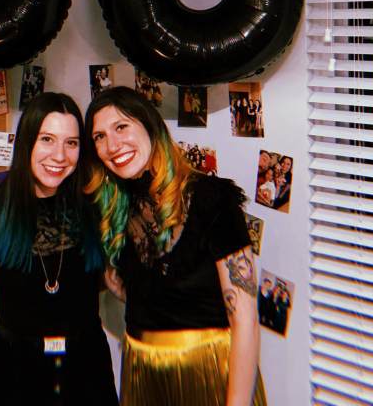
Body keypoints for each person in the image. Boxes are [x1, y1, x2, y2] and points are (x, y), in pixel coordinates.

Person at [83, 86, 265, 406]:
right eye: (99, 136)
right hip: (142, 371)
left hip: (207, 370)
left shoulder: (211, 198)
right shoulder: (112, 209)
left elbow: (245, 320)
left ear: (150, 125)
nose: (112, 145)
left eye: (121, 127)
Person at [0, 92, 118, 406]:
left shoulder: (95, 207)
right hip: (14, 375)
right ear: (26, 142)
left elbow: (120, 283)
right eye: (47, 139)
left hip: (87, 373)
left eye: (71, 143)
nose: (59, 156)